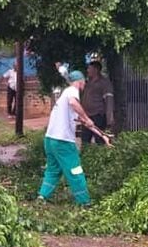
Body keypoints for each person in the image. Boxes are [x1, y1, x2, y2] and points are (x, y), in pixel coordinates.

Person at [35, 70, 110, 207]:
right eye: (83, 82)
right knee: (76, 171)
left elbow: (82, 119)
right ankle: (85, 203)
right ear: (80, 81)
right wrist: (88, 118)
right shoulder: (72, 91)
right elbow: (75, 104)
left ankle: (42, 196)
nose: (84, 85)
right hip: (63, 141)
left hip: (50, 140)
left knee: (53, 170)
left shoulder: (63, 95)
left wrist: (102, 135)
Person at [80, 61, 114, 144]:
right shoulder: (87, 83)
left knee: (100, 140)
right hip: (86, 117)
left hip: (98, 115)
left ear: (96, 69)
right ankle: (86, 156)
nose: (87, 70)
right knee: (85, 140)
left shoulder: (104, 82)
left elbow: (109, 100)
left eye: (89, 68)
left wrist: (110, 118)